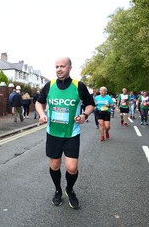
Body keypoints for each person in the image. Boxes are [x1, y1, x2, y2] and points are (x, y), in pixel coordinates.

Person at [35, 57, 95, 210]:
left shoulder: (79, 86)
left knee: (72, 167)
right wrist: (42, 113)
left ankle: (70, 189)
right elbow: (38, 102)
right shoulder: (49, 85)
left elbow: (90, 104)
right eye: (56, 66)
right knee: (55, 165)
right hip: (53, 133)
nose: (59, 69)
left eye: (62, 66)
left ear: (70, 68)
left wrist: (84, 116)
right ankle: (58, 190)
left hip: (71, 133)